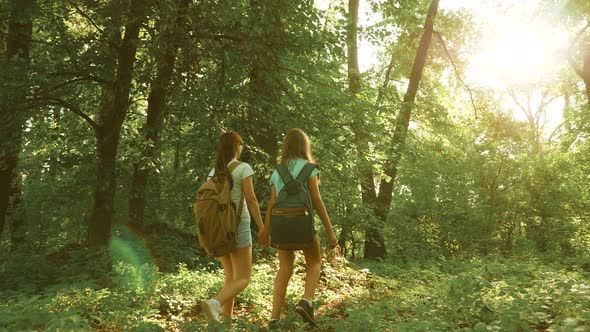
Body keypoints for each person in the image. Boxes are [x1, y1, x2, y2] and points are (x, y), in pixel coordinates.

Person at [259, 128, 338, 329]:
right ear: (305, 146)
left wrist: (266, 231)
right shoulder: (310, 168)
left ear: (286, 147)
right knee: (314, 261)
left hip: (281, 227)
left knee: (284, 268)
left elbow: (272, 203)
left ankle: (274, 318)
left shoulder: (278, 171)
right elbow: (317, 201)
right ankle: (307, 301)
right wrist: (329, 230)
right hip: (304, 227)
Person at [200, 131, 265, 322]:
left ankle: (225, 323)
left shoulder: (212, 172)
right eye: (241, 144)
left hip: (219, 228)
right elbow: (251, 200)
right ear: (237, 146)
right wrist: (261, 227)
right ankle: (215, 303)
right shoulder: (243, 168)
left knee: (230, 278)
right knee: (244, 278)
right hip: (239, 226)